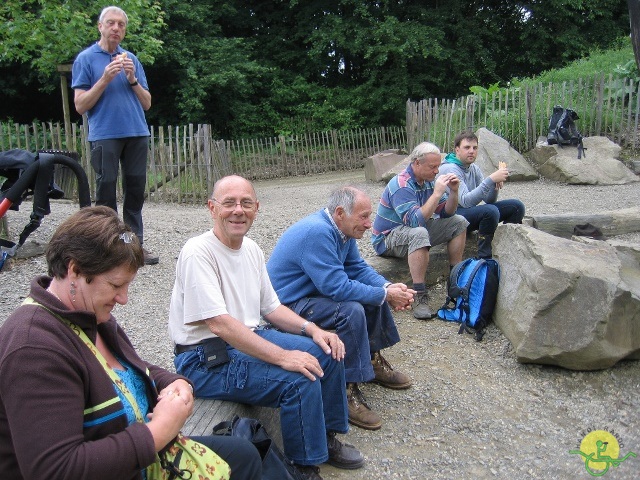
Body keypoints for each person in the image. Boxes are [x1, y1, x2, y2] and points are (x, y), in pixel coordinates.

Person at [0, 206, 261, 480]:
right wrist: (159, 431)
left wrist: (173, 382)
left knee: (243, 456)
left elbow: (124, 368)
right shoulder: (32, 349)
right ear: (74, 270)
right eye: (115, 286)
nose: (123, 299)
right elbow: (57, 470)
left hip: (142, 457)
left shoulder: (87, 315)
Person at [168, 175, 364, 480]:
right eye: (229, 203)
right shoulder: (198, 252)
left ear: (256, 208)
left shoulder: (252, 250)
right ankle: (304, 466)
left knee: (328, 351)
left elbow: (271, 308)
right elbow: (219, 323)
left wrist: (313, 329)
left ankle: (325, 437)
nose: (238, 210)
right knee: (299, 379)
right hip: (204, 358)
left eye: (246, 203)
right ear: (212, 207)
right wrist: (284, 356)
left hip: (246, 339)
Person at [267, 186, 414, 431]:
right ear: (339, 213)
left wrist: (387, 286)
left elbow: (357, 268)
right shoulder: (318, 233)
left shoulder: (342, 230)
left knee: (372, 296)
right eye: (364, 216)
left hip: (312, 294)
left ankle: (371, 361)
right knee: (352, 309)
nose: (369, 224)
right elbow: (337, 288)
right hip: (288, 306)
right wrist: (386, 295)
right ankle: (346, 389)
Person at [71, 6, 158, 265]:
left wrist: (132, 78)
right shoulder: (86, 59)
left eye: (121, 24)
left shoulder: (131, 58)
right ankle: (106, 248)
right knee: (106, 192)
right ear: (100, 26)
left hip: (136, 133)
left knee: (135, 191)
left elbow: (147, 103)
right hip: (105, 135)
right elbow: (80, 105)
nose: (116, 28)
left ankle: (134, 247)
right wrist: (105, 79)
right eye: (111, 23)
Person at [371, 142, 469, 320]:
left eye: (438, 166)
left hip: (412, 231)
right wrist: (437, 193)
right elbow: (415, 220)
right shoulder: (401, 184)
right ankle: (419, 296)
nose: (437, 171)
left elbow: (448, 212)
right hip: (387, 238)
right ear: (417, 163)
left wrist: (454, 192)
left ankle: (455, 282)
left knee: (459, 222)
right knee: (420, 232)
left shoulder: (428, 181)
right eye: (432, 167)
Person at [438, 131, 526, 258]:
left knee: (517, 207)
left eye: (475, 148)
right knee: (489, 212)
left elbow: (489, 200)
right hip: (450, 217)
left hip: (466, 213)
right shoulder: (450, 169)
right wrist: (490, 179)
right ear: (457, 150)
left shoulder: (474, 168)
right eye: (467, 147)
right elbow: (465, 202)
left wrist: (494, 186)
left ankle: (508, 248)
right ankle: (484, 257)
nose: (471, 151)